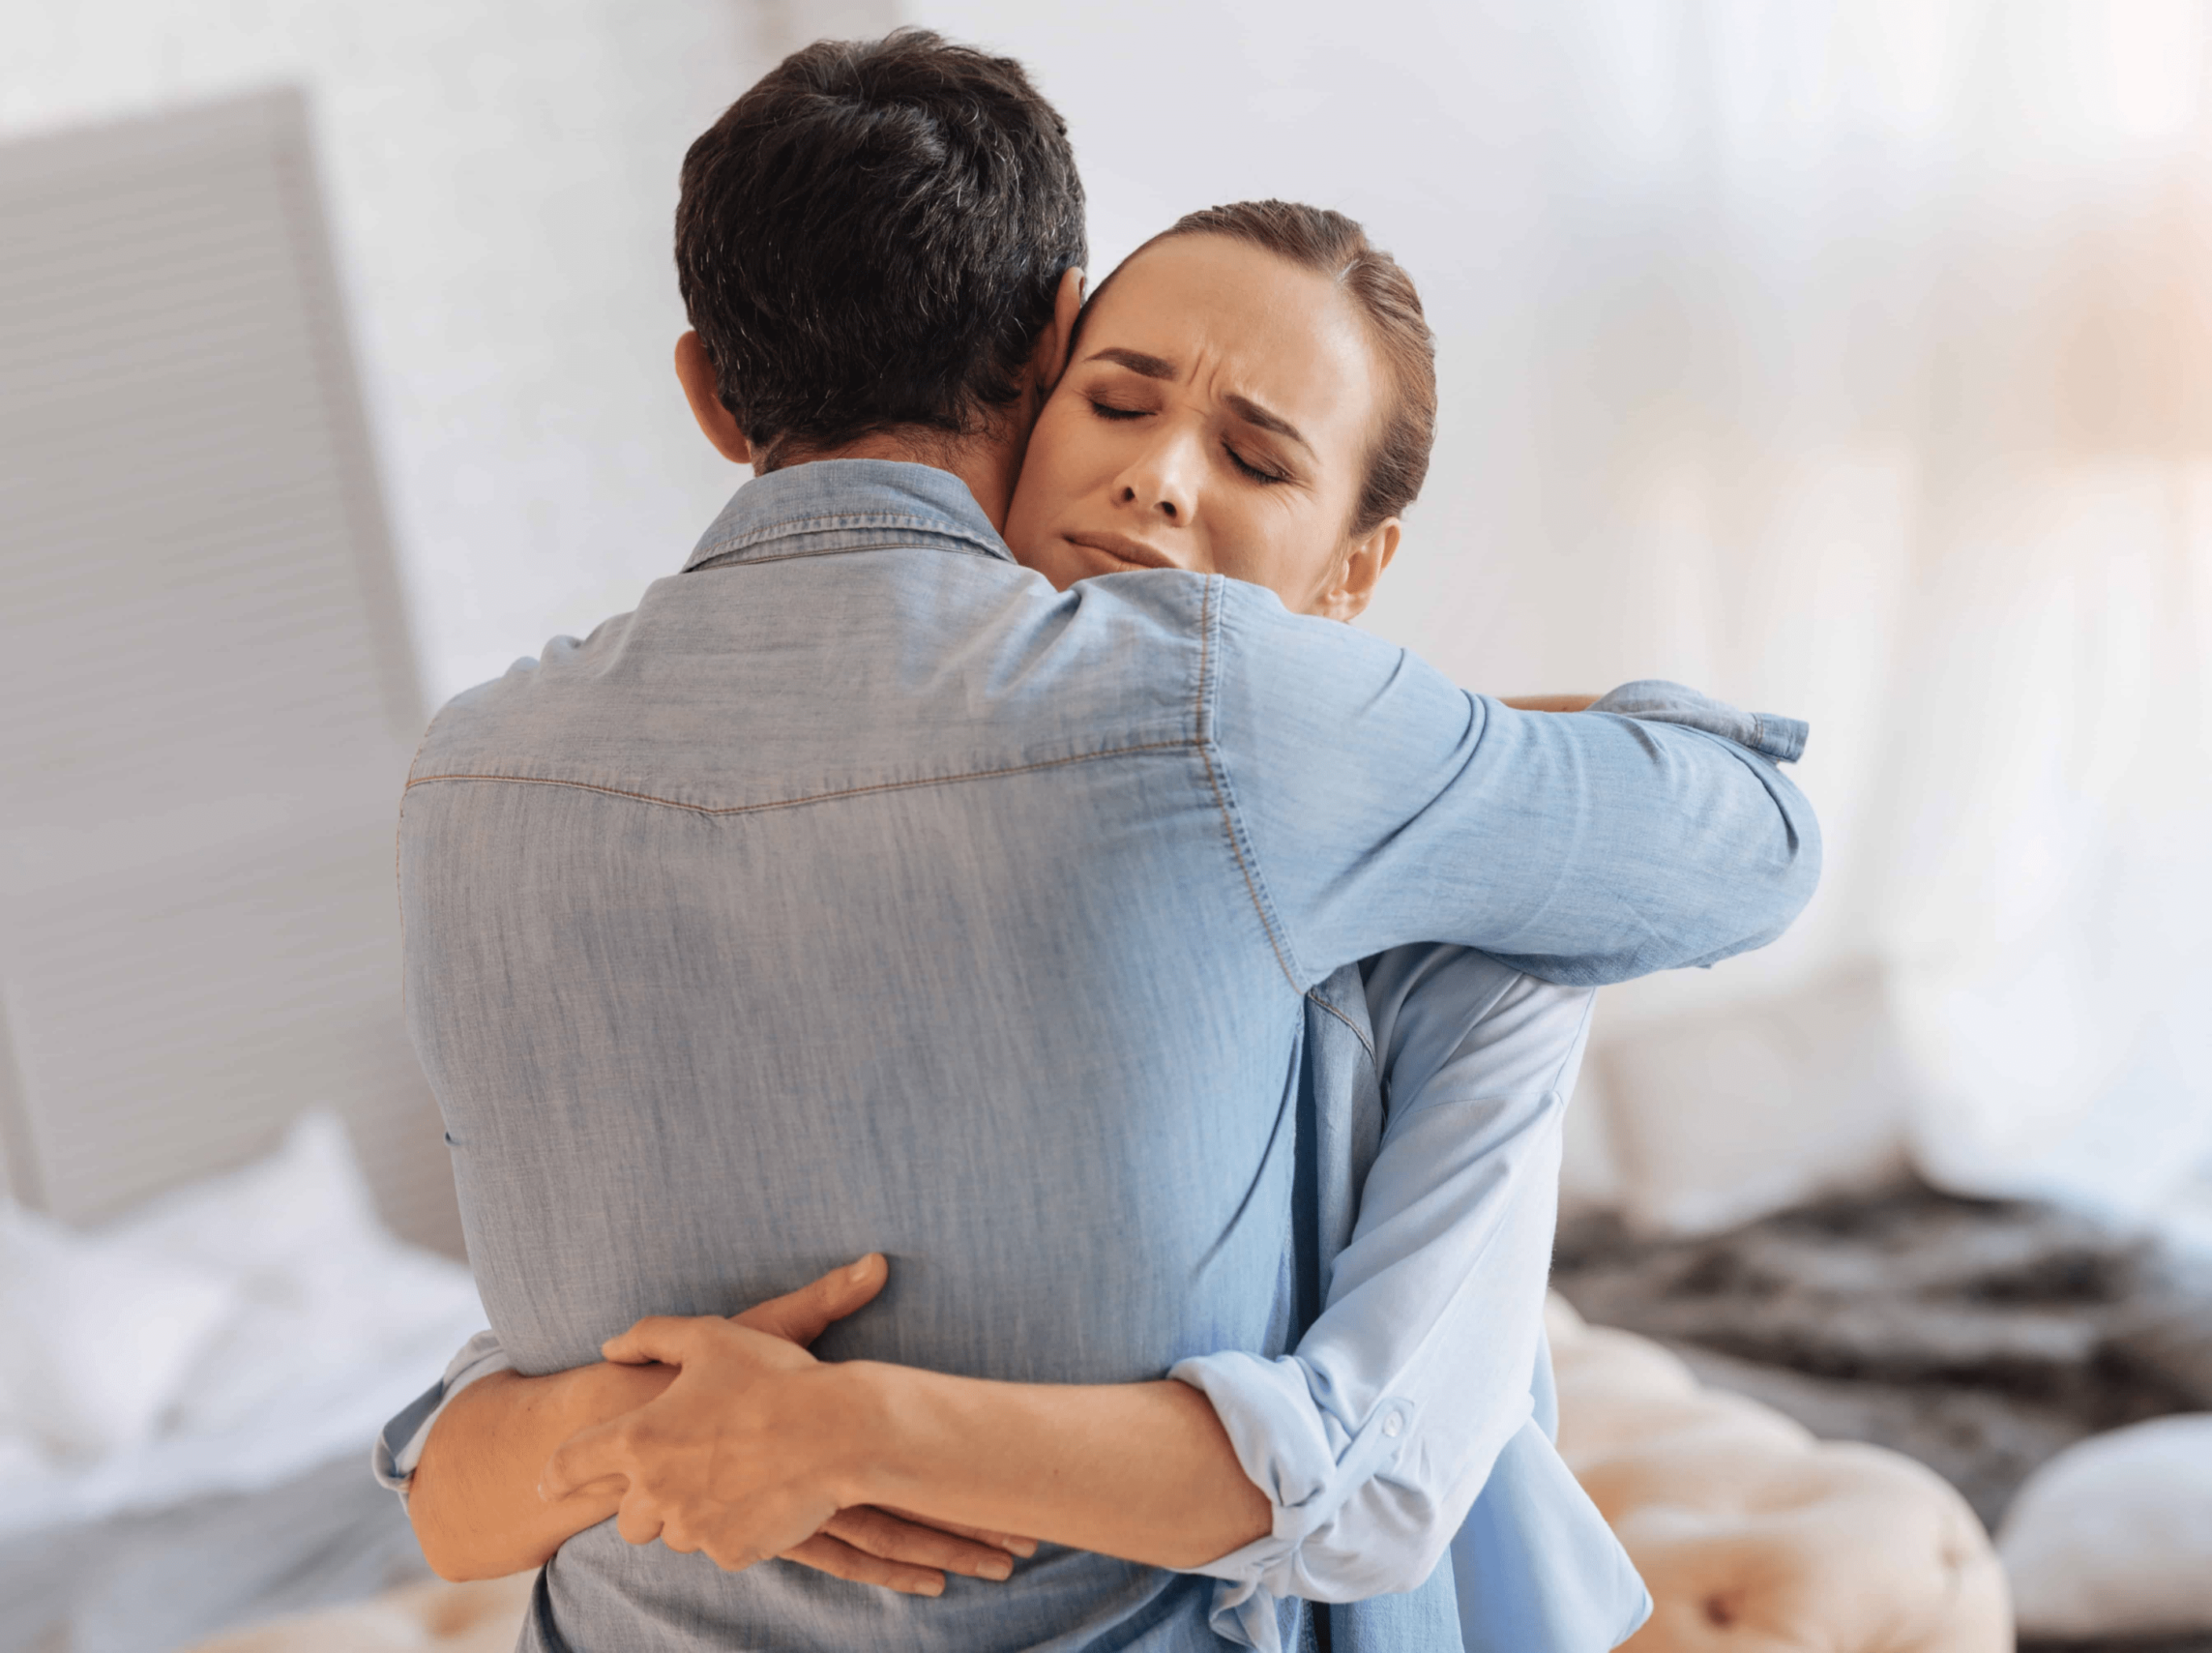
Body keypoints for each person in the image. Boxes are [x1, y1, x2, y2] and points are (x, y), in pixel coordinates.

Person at [380, 32, 1816, 1653]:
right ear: (1051, 349)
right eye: (1118, 399)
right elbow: (458, 1460)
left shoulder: (468, 778)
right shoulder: (1232, 721)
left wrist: (826, 1431)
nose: (1153, 482)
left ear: (708, 392)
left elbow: (1383, 1474)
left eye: (1260, 457)